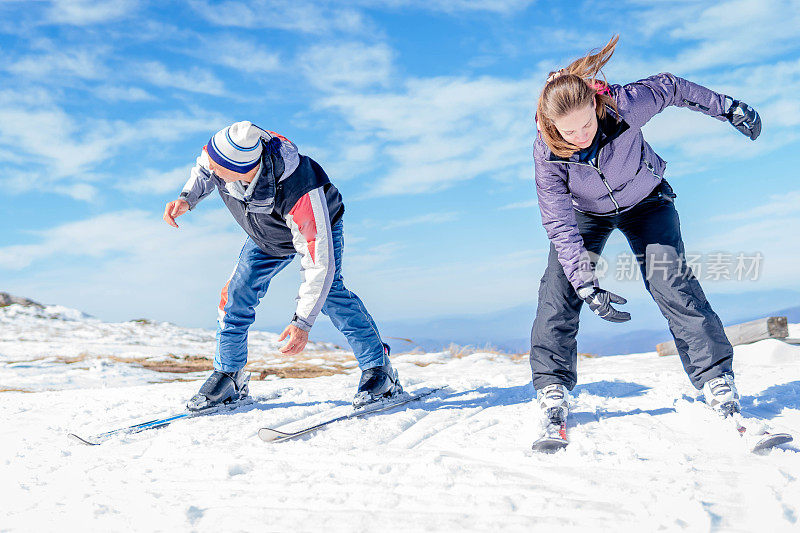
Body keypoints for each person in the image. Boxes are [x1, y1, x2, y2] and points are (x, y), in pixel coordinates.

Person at [530, 36, 761, 438]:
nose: (582, 135)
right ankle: (552, 387)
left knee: (670, 281)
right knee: (560, 287)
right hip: (587, 215)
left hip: (645, 200)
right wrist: (587, 284)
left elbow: (671, 86)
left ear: (595, 104)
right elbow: (558, 221)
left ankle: (715, 379)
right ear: (551, 126)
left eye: (587, 123)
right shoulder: (548, 152)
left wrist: (727, 108)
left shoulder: (623, 105)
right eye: (570, 131)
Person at [163, 121, 402, 410]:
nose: (211, 171)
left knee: (330, 295)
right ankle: (229, 376)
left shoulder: (300, 191)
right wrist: (187, 198)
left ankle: (380, 369)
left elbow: (319, 265)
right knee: (235, 296)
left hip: (316, 227)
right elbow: (204, 169)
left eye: (218, 169)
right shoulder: (225, 156)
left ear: (241, 169)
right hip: (266, 235)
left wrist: (302, 323)